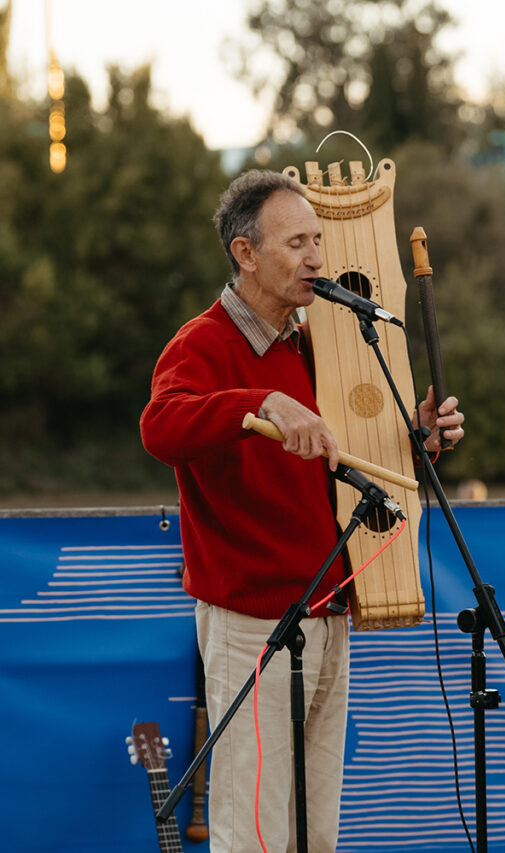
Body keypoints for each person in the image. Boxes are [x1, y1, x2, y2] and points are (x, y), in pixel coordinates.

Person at [140, 170, 465, 853]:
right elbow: (160, 427)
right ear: (245, 253)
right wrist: (254, 403)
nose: (317, 256)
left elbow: (349, 469)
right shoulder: (201, 343)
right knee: (251, 832)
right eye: (297, 242)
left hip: (328, 609)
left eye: (318, 238)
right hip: (252, 625)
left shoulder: (319, 340)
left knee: (315, 834)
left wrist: (420, 440)